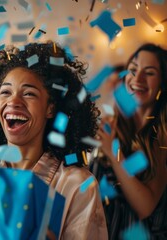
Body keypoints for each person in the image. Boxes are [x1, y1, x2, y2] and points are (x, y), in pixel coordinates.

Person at [0, 42, 108, 239]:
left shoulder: (77, 185)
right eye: (6, 92)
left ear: (50, 108)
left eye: (29, 93)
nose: (13, 101)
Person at [96, 43, 167, 239]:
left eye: (150, 73)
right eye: (133, 70)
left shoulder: (162, 137)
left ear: (163, 82)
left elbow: (146, 207)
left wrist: (112, 152)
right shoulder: (114, 125)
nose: (138, 78)